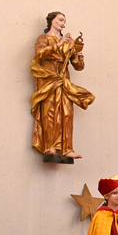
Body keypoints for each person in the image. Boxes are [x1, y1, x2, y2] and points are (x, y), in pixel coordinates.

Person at [30, 11, 95, 159]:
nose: (62, 23)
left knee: (66, 113)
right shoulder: (44, 38)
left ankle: (67, 148)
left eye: (64, 21)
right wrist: (57, 45)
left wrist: (79, 58)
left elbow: (77, 66)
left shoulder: (69, 42)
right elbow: (40, 53)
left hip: (63, 79)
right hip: (48, 78)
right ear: (51, 21)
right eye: (60, 20)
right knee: (49, 112)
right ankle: (50, 146)